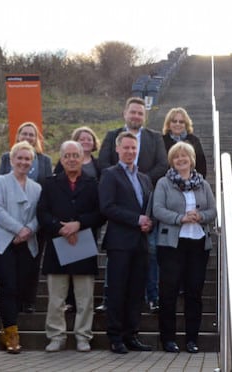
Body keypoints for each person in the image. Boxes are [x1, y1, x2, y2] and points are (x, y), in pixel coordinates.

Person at [98, 97, 167, 314]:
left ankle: (151, 296)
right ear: (125, 114)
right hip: (120, 206)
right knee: (117, 268)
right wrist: (125, 178)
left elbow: (163, 164)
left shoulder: (154, 137)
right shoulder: (112, 136)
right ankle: (109, 299)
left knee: (148, 257)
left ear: (144, 116)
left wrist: (138, 178)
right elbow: (103, 163)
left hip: (145, 201)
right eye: (133, 112)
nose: (136, 116)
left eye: (140, 113)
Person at [38, 141, 104, 352]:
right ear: (61, 158)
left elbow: (100, 213)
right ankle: (56, 336)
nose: (72, 159)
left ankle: (83, 336)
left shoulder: (93, 183)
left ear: (82, 157)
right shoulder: (49, 183)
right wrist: (60, 228)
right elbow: (42, 213)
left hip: (83, 245)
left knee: (85, 298)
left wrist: (79, 224)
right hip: (58, 245)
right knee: (56, 298)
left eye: (76, 155)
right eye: (67, 156)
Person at [153, 142, 217, 353]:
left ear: (191, 159)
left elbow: (212, 210)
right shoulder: (164, 183)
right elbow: (158, 210)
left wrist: (200, 216)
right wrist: (180, 218)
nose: (181, 160)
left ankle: (192, 339)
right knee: (168, 292)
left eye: (185, 156)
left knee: (194, 293)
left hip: (198, 243)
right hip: (172, 244)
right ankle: (168, 339)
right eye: (177, 157)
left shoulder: (203, 184)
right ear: (172, 161)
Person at [100, 132, 155, 354]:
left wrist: (148, 222)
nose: (130, 152)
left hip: (141, 243)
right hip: (120, 243)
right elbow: (107, 207)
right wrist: (136, 220)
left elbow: (147, 208)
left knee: (135, 292)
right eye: (126, 148)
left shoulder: (144, 178)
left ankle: (132, 334)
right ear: (118, 149)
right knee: (117, 291)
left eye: (134, 148)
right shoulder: (109, 174)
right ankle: (115, 337)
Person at [0, 141, 42, 354]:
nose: (23, 162)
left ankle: (11, 325)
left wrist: (28, 230)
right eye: (19, 158)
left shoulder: (36, 188)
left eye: (27, 159)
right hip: (2, 244)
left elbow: (40, 214)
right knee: (8, 286)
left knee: (20, 286)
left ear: (32, 162)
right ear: (11, 160)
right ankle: (10, 332)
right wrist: (19, 229)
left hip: (27, 243)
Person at [0, 121, 52, 313]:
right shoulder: (7, 158)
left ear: (36, 138)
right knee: (11, 266)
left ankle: (29, 301)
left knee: (32, 263)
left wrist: (33, 225)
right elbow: (0, 187)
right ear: (18, 136)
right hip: (10, 223)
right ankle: (12, 301)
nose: (28, 137)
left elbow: (48, 191)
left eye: (32, 134)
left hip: (35, 222)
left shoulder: (44, 160)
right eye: (25, 134)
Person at [54, 127, 103, 313]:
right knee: (66, 264)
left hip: (87, 221)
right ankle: (69, 299)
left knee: (84, 266)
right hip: (65, 225)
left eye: (89, 138)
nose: (86, 141)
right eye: (82, 138)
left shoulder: (97, 166)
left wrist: (82, 223)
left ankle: (79, 302)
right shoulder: (62, 165)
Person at [161, 107, 207, 177]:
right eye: (174, 121)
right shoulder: (161, 141)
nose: (177, 124)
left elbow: (201, 165)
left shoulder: (194, 141)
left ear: (186, 124)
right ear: (168, 124)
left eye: (181, 122)